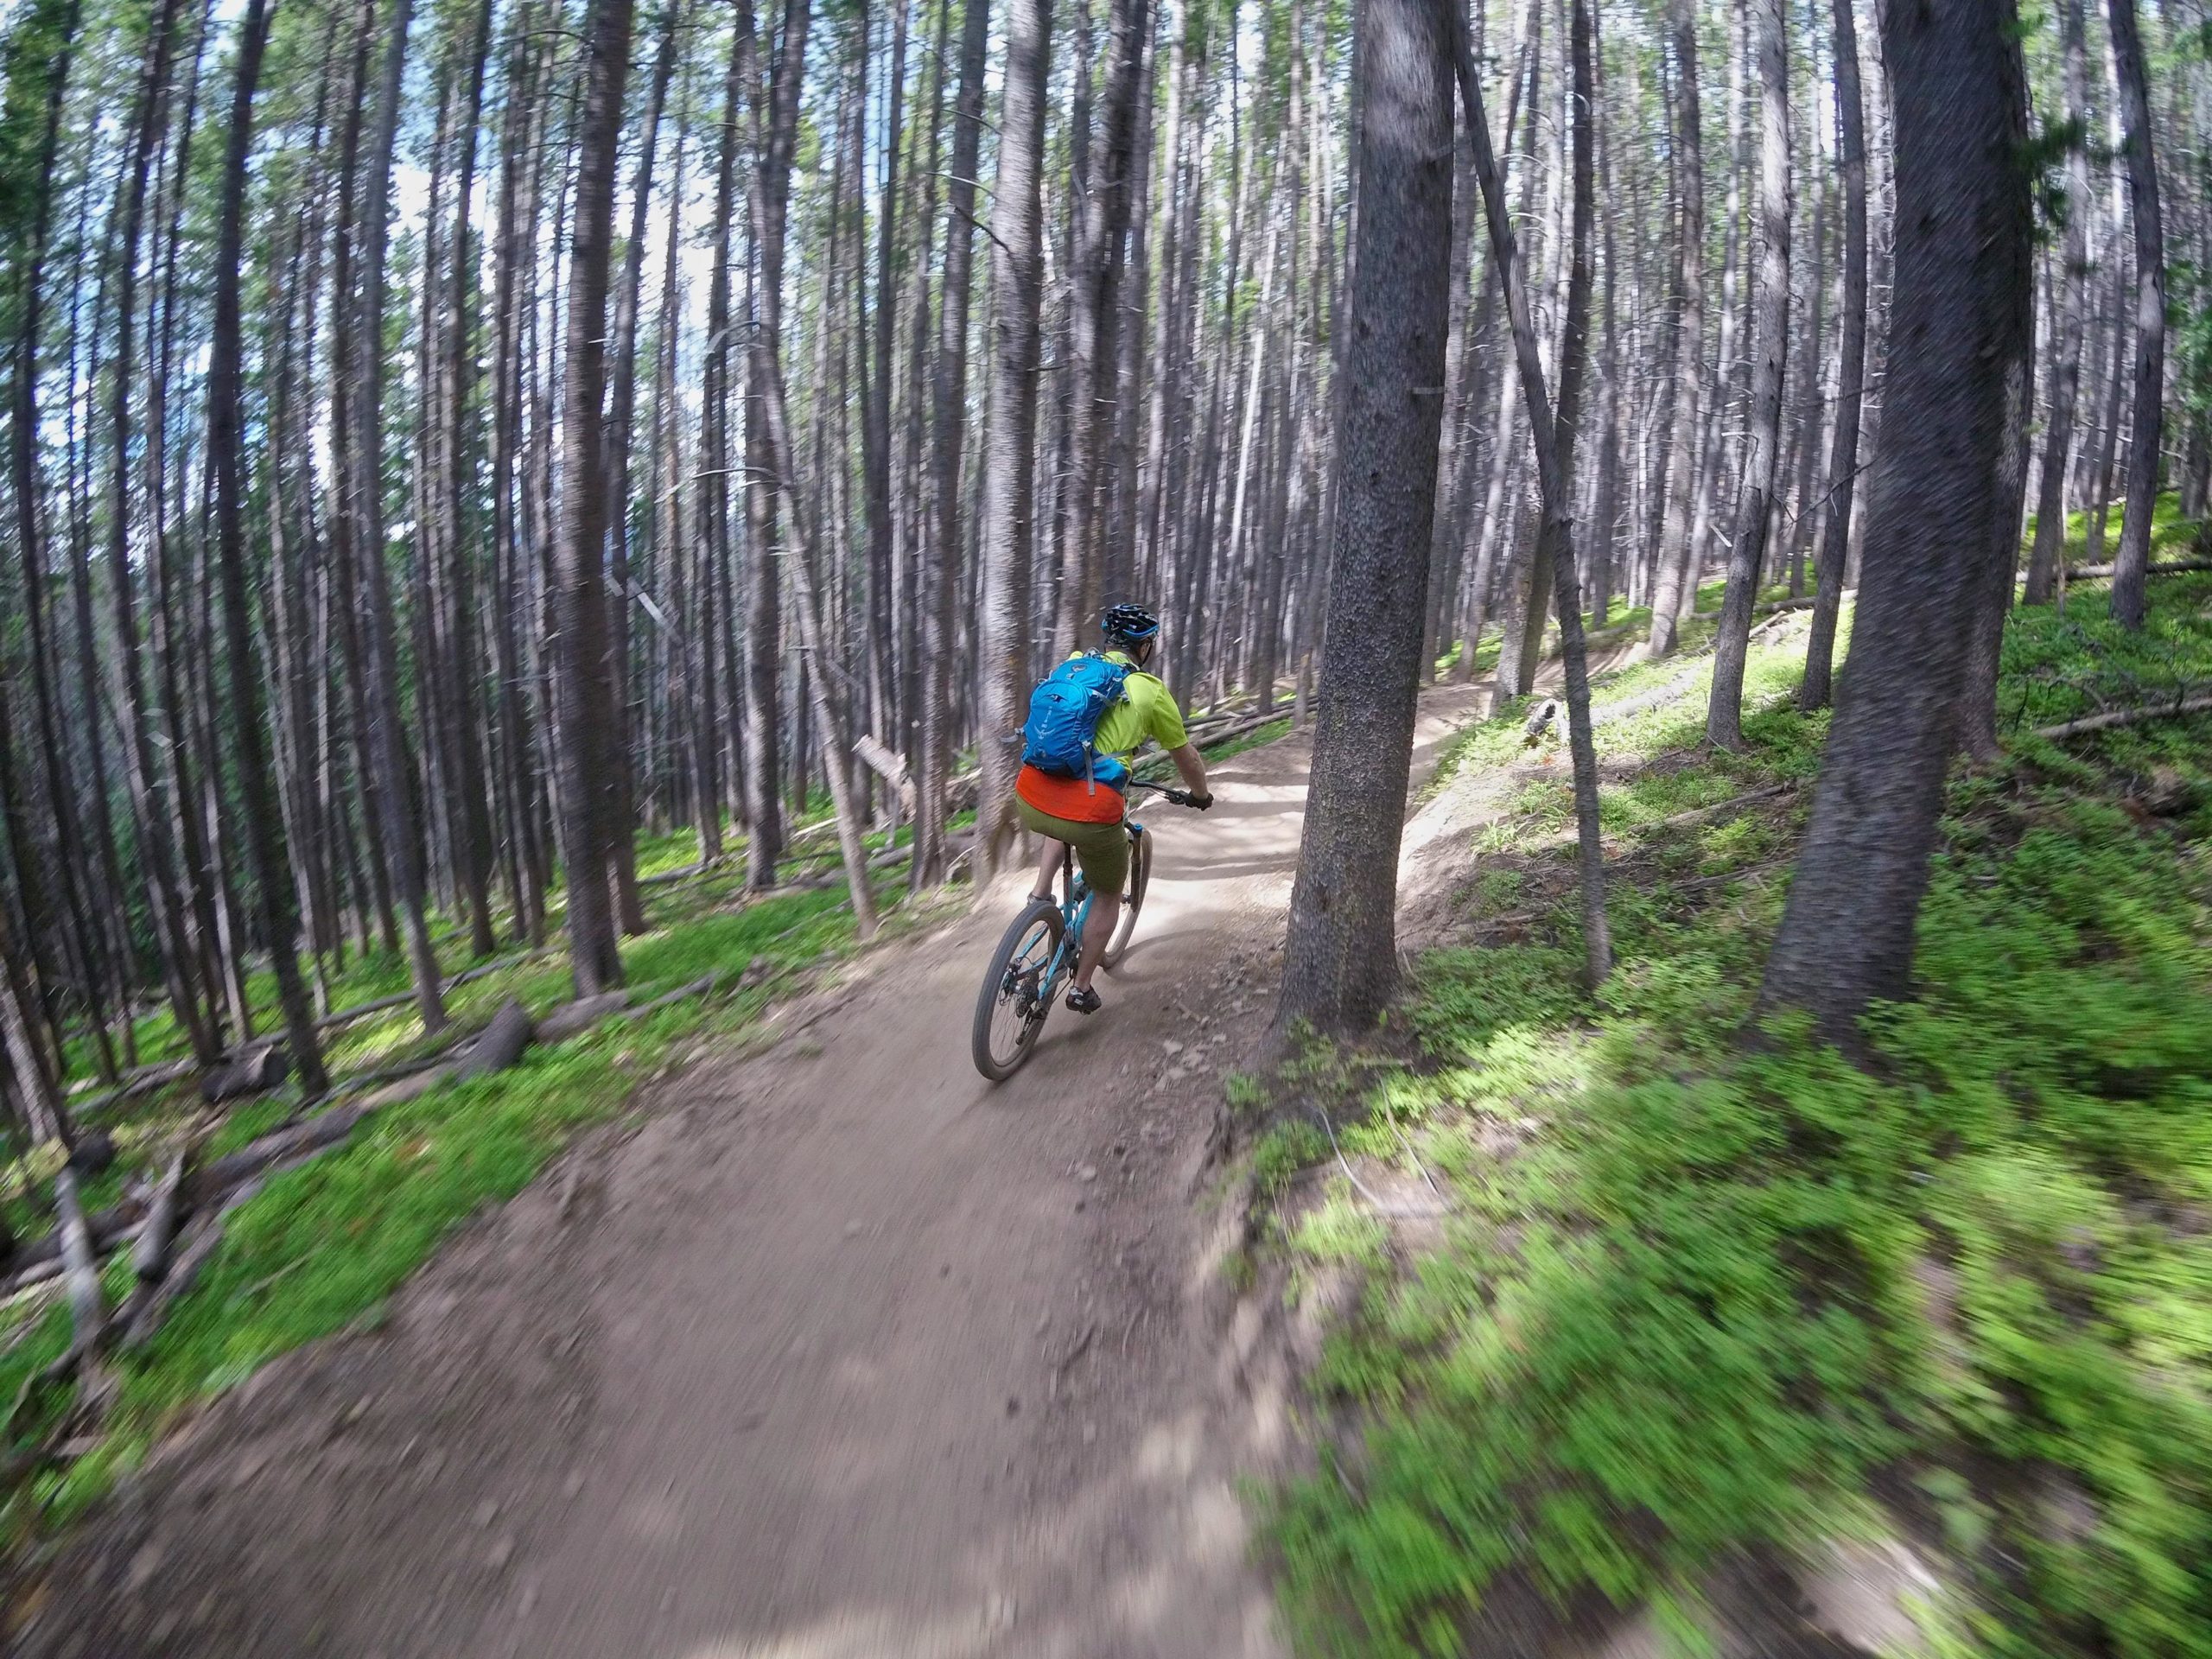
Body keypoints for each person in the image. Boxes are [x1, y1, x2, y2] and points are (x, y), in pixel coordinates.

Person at [1015, 604, 1213, 1014]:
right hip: (1094, 806)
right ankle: (1081, 986)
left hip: (1032, 793)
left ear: (1109, 639)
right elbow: (1187, 757)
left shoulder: (1075, 665)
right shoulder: (1148, 690)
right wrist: (1200, 795)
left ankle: (1040, 892)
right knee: (1108, 893)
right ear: (1145, 647)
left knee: (1063, 807)